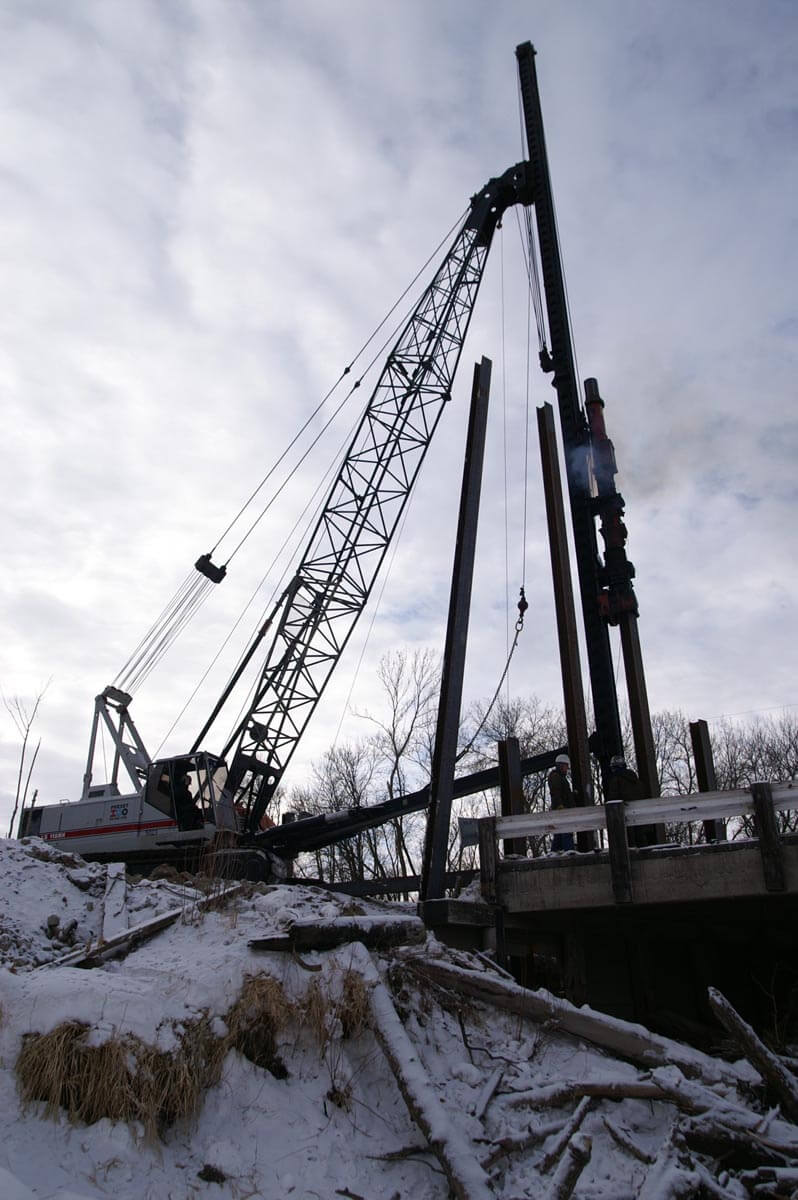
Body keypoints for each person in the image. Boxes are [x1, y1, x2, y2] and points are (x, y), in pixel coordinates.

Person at [548, 753, 574, 852]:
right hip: (561, 809)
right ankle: (568, 851)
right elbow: (556, 792)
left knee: (559, 833)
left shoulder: (560, 777)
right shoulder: (556, 777)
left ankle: (555, 852)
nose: (567, 769)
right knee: (565, 831)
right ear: (561, 765)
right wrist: (559, 805)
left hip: (562, 808)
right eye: (566, 766)